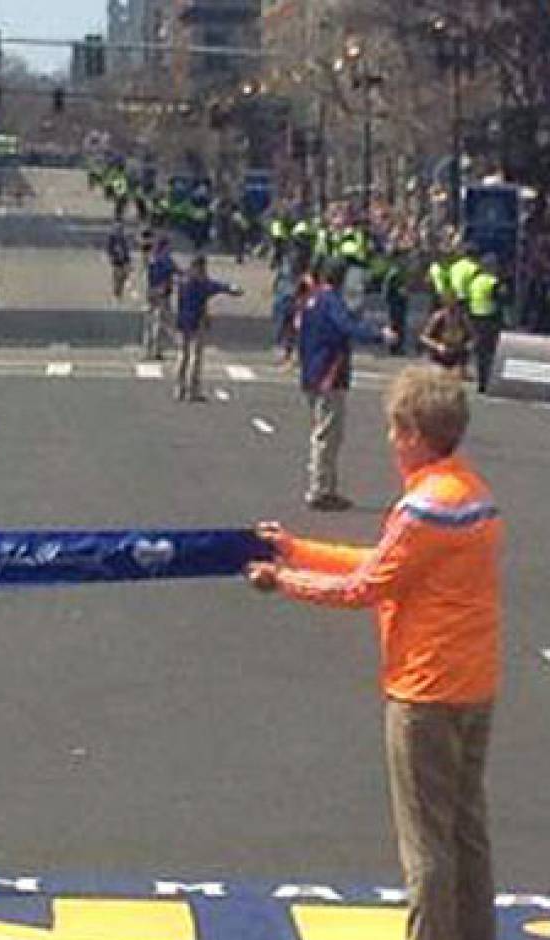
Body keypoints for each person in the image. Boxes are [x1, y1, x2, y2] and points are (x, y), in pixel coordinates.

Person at [248, 365, 500, 940]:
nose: (390, 441)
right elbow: (383, 562)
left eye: (394, 430)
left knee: (425, 845)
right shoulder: (473, 495)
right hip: (473, 683)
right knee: (466, 827)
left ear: (413, 433)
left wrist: (282, 579)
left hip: (424, 690)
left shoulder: (422, 510)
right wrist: (296, 548)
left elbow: (366, 586)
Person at [298, 258, 396, 511]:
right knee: (328, 434)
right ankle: (319, 489)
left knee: (324, 431)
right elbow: (347, 327)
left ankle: (326, 486)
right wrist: (379, 335)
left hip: (312, 369)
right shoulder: (331, 301)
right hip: (329, 372)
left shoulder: (312, 299)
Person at [172, 256, 241, 402]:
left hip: (182, 321)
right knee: (194, 357)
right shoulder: (201, 283)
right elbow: (219, 287)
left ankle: (179, 388)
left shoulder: (184, 282)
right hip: (196, 321)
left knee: (182, 356)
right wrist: (233, 289)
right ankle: (192, 389)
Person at [466, 256, 503, 395]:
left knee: (480, 353)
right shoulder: (493, 282)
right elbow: (499, 300)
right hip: (489, 319)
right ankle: (488, 380)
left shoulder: (474, 281)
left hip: (475, 319)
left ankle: (481, 382)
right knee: (490, 352)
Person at [143, 236, 176, 361]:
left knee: (150, 321)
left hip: (151, 292)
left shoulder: (152, 259)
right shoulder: (166, 260)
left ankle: (147, 349)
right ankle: (157, 350)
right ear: (164, 247)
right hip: (162, 294)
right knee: (160, 322)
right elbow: (174, 272)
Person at [106, 222, 132, 302]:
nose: (120, 231)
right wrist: (113, 255)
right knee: (117, 278)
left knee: (123, 277)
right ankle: (116, 295)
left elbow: (127, 250)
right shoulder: (112, 238)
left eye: (121, 229)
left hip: (124, 260)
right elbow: (109, 249)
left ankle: (118, 294)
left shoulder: (123, 238)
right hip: (116, 261)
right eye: (118, 229)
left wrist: (128, 260)